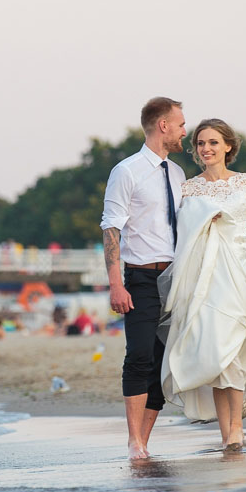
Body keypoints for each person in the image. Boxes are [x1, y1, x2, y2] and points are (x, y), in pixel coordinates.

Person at [160, 118, 246, 451]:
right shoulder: (190, 188)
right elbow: (183, 235)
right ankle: (230, 433)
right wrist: (204, 219)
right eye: (201, 143)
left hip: (242, 274)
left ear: (228, 146)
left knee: (237, 350)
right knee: (219, 356)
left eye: (213, 142)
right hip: (205, 277)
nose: (206, 149)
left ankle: (237, 424)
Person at [101, 96, 187, 460]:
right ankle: (133, 441)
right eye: (181, 124)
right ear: (162, 126)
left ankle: (145, 442)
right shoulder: (127, 171)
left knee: (161, 361)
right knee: (138, 356)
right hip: (139, 278)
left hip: (176, 278)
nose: (186, 131)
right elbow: (111, 229)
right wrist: (115, 283)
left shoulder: (179, 174)